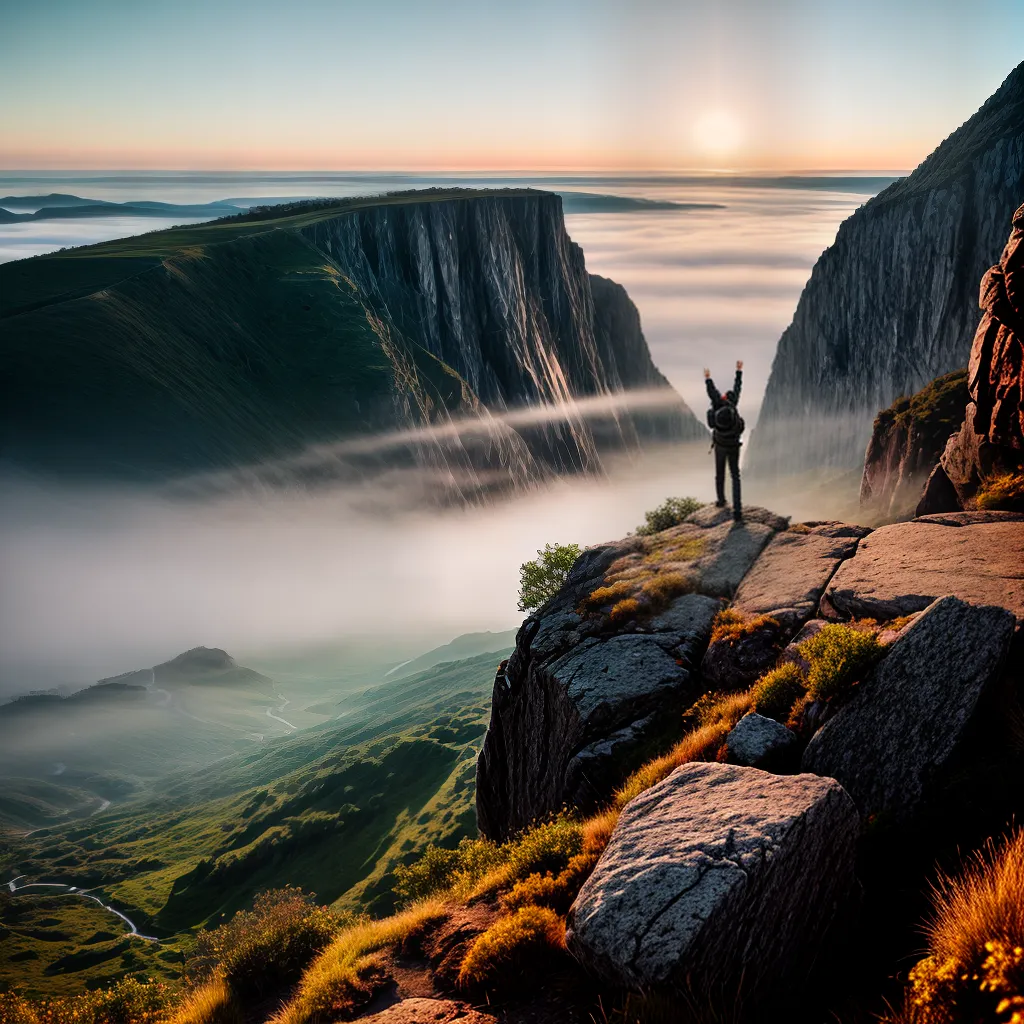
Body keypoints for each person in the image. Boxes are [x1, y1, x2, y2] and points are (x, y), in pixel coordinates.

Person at [703, 360, 745, 521]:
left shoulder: (717, 403)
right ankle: (737, 511)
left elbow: (711, 391)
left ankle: (721, 501)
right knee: (735, 476)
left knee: (719, 474)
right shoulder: (733, 405)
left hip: (720, 445)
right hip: (734, 445)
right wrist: (739, 371)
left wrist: (708, 378)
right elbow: (738, 388)